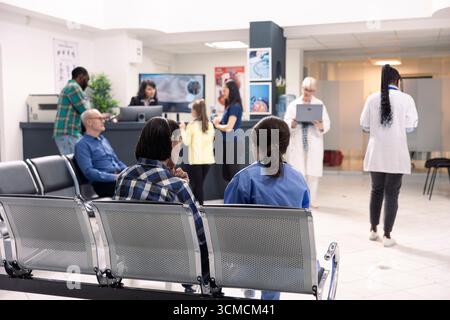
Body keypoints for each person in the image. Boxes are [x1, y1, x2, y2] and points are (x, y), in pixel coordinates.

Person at [113, 117, 208, 292]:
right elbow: (200, 235)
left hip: (131, 258)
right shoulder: (177, 186)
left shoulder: (124, 177)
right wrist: (184, 185)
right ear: (170, 147)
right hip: (173, 264)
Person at [224, 116, 310, 300]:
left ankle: (249, 288)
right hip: (290, 265)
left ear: (257, 146)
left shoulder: (243, 179)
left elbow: (228, 227)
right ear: (285, 147)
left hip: (247, 265)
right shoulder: (299, 180)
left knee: (258, 255)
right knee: (274, 253)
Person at [360, 64, 418, 247]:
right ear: (397, 81)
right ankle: (387, 236)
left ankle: (372, 230)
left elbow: (364, 126)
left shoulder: (371, 99)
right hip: (396, 153)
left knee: (376, 190)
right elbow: (411, 126)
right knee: (392, 193)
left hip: (376, 152)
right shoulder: (406, 99)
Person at [284, 76, 330, 208]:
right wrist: (292, 123)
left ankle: (312, 200)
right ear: (301, 88)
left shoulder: (319, 104)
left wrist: (319, 125)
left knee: (313, 173)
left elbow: (327, 124)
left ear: (314, 91)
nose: (307, 92)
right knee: (298, 173)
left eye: (310, 90)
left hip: (313, 141)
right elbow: (286, 122)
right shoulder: (293, 105)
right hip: (297, 141)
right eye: (305, 89)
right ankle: (299, 200)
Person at [74, 109, 126, 197]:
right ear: (89, 122)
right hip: (104, 184)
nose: (103, 121)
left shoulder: (103, 139)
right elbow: (89, 172)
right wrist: (115, 177)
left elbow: (117, 161)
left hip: (117, 180)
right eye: (99, 118)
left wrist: (128, 172)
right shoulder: (82, 145)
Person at [179, 99, 215, 205]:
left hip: (195, 160)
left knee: (197, 185)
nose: (191, 112)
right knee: (199, 185)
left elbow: (186, 142)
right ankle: (197, 205)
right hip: (208, 160)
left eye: (192, 109)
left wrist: (182, 129)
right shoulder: (210, 125)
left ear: (196, 111)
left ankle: (200, 208)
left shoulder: (191, 125)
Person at [53, 66, 90, 155]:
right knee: (73, 164)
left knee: (74, 163)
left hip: (68, 133)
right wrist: (100, 116)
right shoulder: (74, 87)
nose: (87, 83)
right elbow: (85, 110)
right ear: (81, 76)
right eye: (86, 79)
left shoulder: (68, 86)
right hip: (68, 133)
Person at [213, 79, 243, 182]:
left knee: (233, 174)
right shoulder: (230, 105)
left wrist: (217, 125)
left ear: (231, 90)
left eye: (225, 90)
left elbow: (229, 127)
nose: (223, 92)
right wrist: (220, 119)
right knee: (227, 174)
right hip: (227, 143)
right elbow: (227, 120)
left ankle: (236, 197)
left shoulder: (235, 106)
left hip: (232, 143)